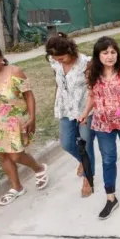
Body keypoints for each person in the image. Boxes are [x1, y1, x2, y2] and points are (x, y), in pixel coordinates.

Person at [80, 37, 120, 220]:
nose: (110, 56)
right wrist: (85, 112)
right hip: (103, 122)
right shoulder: (91, 72)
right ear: (97, 55)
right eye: (105, 52)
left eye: (113, 52)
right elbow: (92, 96)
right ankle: (111, 198)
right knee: (108, 159)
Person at [0, 43, 49, 206]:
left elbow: (29, 95)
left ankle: (39, 168)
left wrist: (32, 118)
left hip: (14, 121)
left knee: (16, 155)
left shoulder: (15, 72)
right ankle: (17, 188)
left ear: (0, 57)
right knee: (2, 155)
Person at [45, 33, 96, 197]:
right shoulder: (54, 61)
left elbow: (93, 90)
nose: (59, 61)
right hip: (65, 108)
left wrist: (87, 112)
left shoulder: (86, 64)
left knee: (86, 144)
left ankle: (88, 177)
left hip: (84, 109)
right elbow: (58, 81)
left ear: (71, 50)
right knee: (67, 143)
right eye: (56, 58)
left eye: (62, 58)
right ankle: (83, 160)